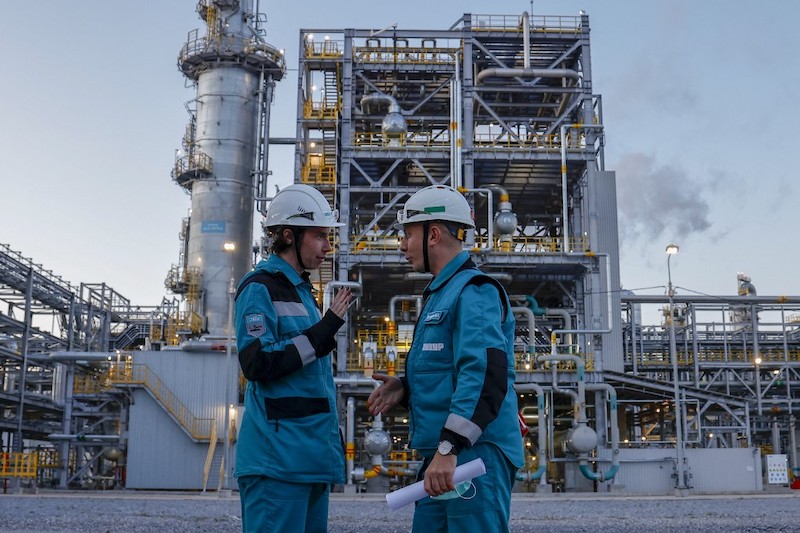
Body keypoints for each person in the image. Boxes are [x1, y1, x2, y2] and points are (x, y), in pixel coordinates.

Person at [368, 184, 524, 532]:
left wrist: (449, 446)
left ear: (434, 233)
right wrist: (406, 389)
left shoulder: (474, 291)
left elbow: (484, 373)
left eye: (408, 234)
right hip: (446, 455)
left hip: (472, 454)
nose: (403, 246)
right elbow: (447, 372)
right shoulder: (443, 293)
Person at [233, 183, 352, 533]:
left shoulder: (302, 292)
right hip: (278, 461)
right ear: (288, 235)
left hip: (309, 457)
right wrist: (323, 331)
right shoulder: (260, 287)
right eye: (319, 236)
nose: (328, 247)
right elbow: (258, 364)